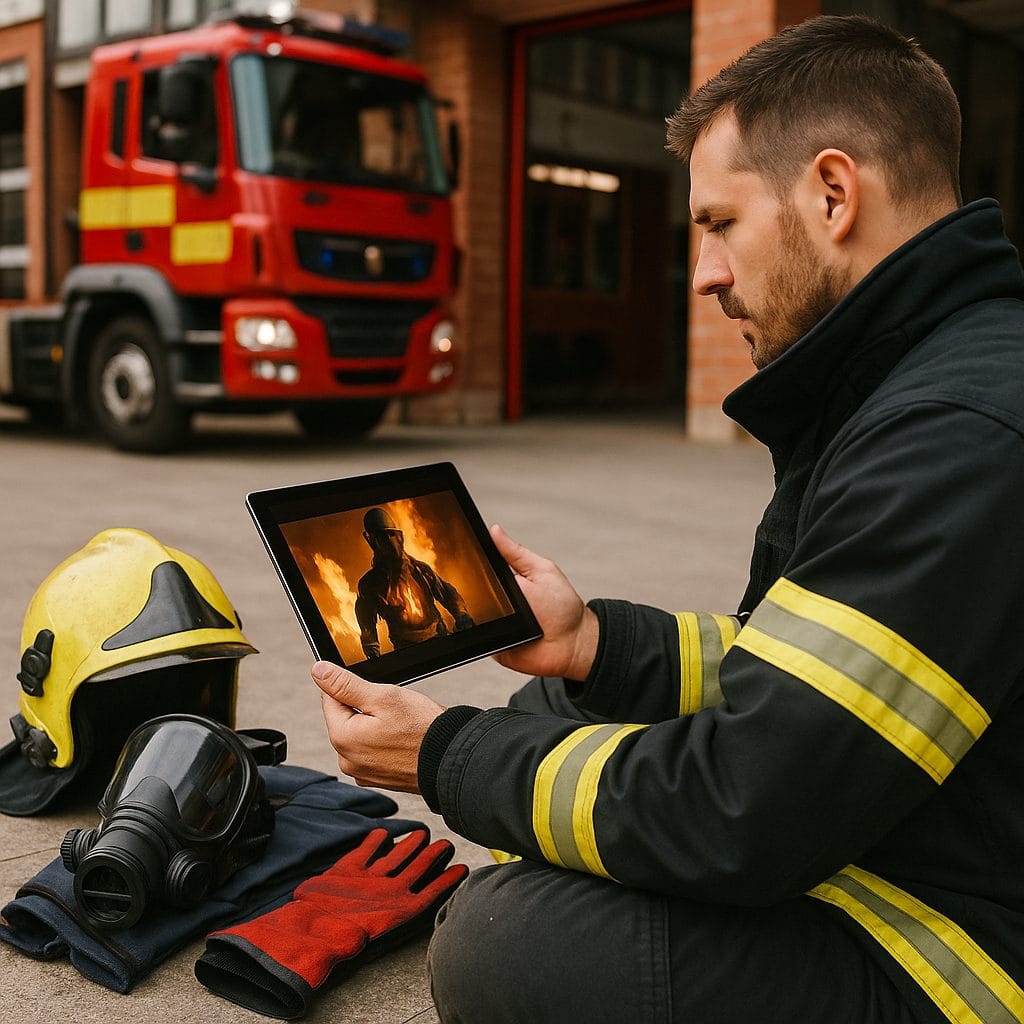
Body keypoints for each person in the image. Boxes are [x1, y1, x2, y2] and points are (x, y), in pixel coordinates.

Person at [309, 15, 1024, 1024]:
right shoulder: (920, 381)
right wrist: (593, 642)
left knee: (508, 940)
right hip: (909, 823)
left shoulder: (955, 431)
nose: (704, 274)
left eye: (720, 224)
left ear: (831, 193)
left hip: (972, 941)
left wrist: (444, 755)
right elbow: (806, 673)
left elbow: (748, 803)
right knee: (556, 710)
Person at [355, 507, 475, 658]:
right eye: (381, 536)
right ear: (371, 539)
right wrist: (373, 655)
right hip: (407, 650)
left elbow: (447, 593)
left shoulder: (420, 570)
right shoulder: (369, 585)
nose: (388, 541)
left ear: (399, 536)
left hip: (439, 637)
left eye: (391, 534)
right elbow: (367, 625)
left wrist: (461, 614)